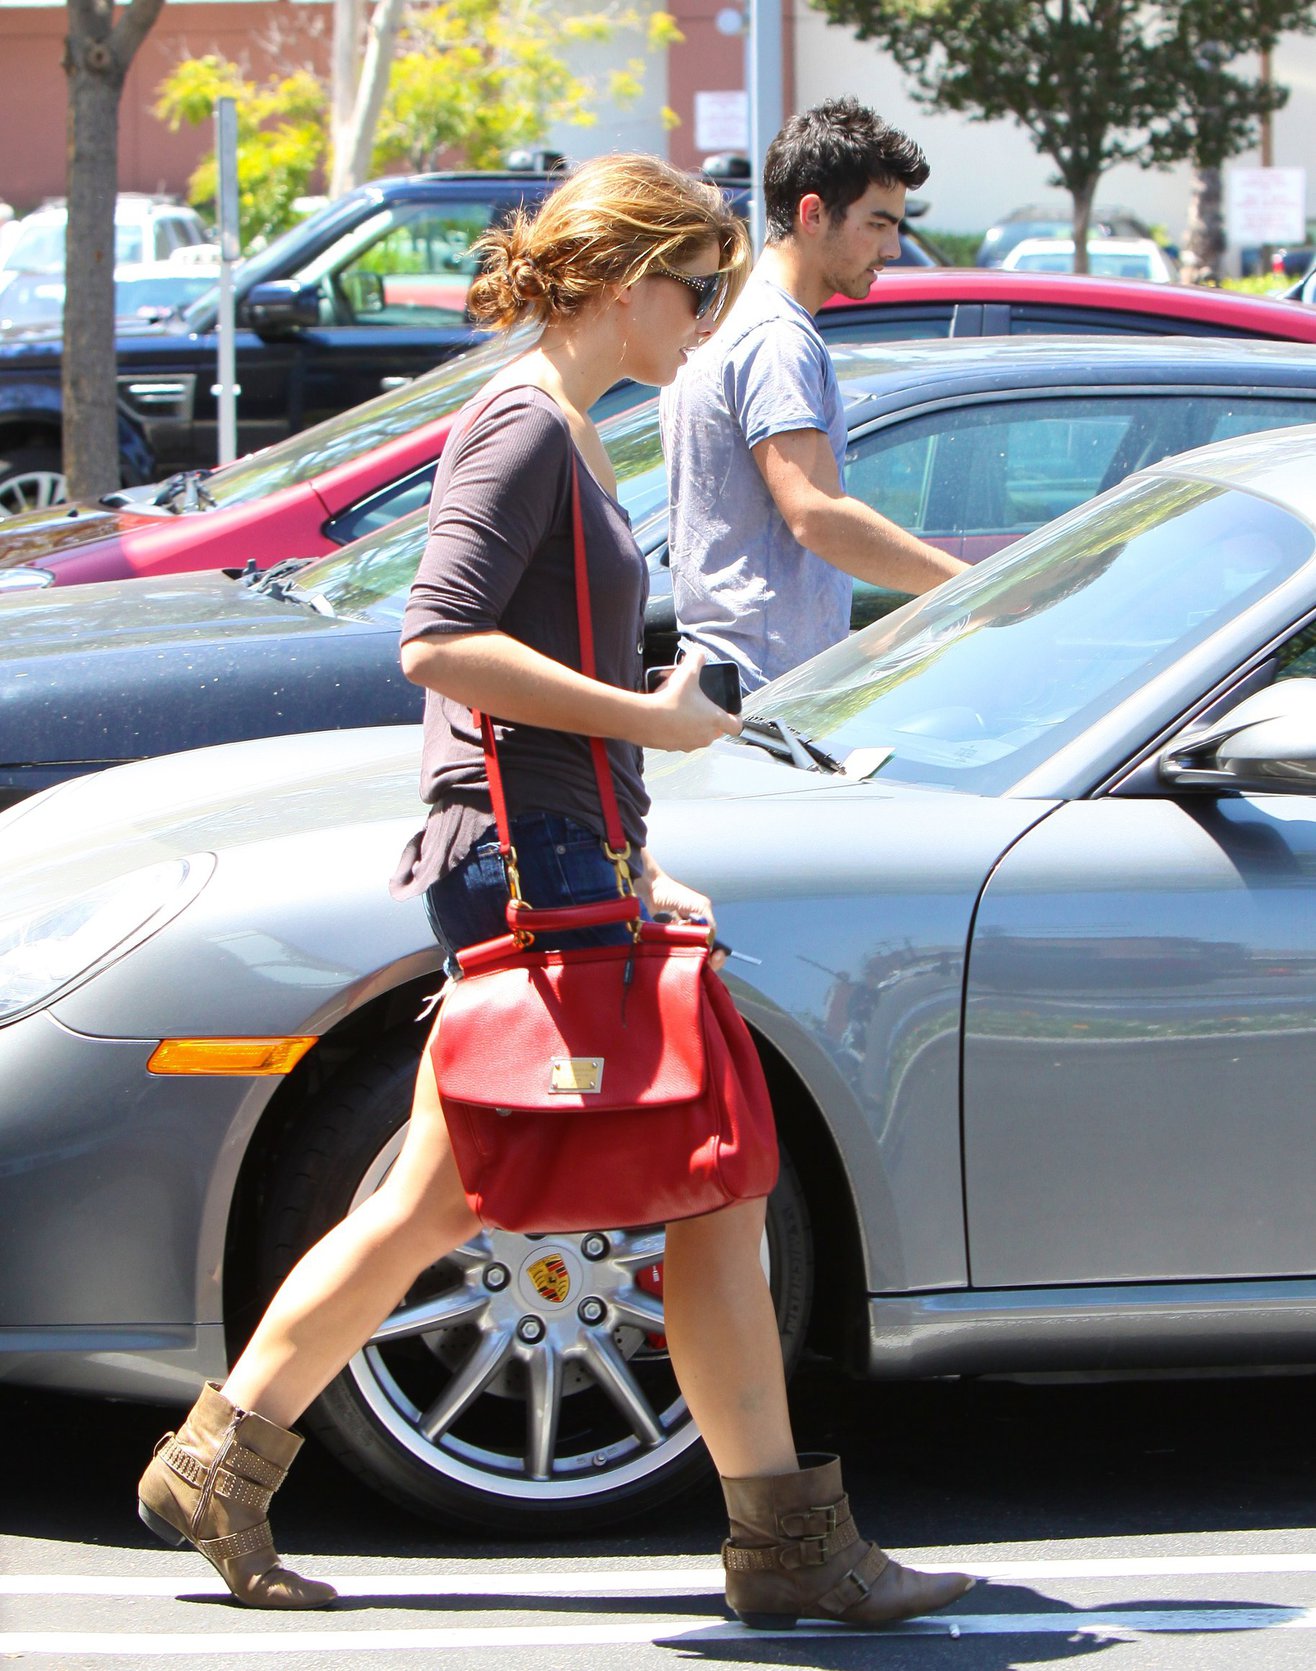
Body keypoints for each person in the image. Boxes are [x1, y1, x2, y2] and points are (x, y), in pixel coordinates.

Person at [135, 152, 973, 1631]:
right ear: (633, 280)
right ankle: (785, 1543)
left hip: (561, 861)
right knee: (693, 1173)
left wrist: (627, 806)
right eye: (699, 289)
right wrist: (646, 721)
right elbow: (435, 640)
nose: (709, 319)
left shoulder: (566, 426)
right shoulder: (522, 428)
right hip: (535, 873)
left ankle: (222, 1459)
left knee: (498, 1194)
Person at [661, 97, 969, 693]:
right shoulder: (777, 338)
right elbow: (817, 514)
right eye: (878, 224)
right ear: (813, 213)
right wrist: (972, 584)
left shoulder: (728, 320)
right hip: (764, 694)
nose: (893, 249)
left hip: (734, 680)